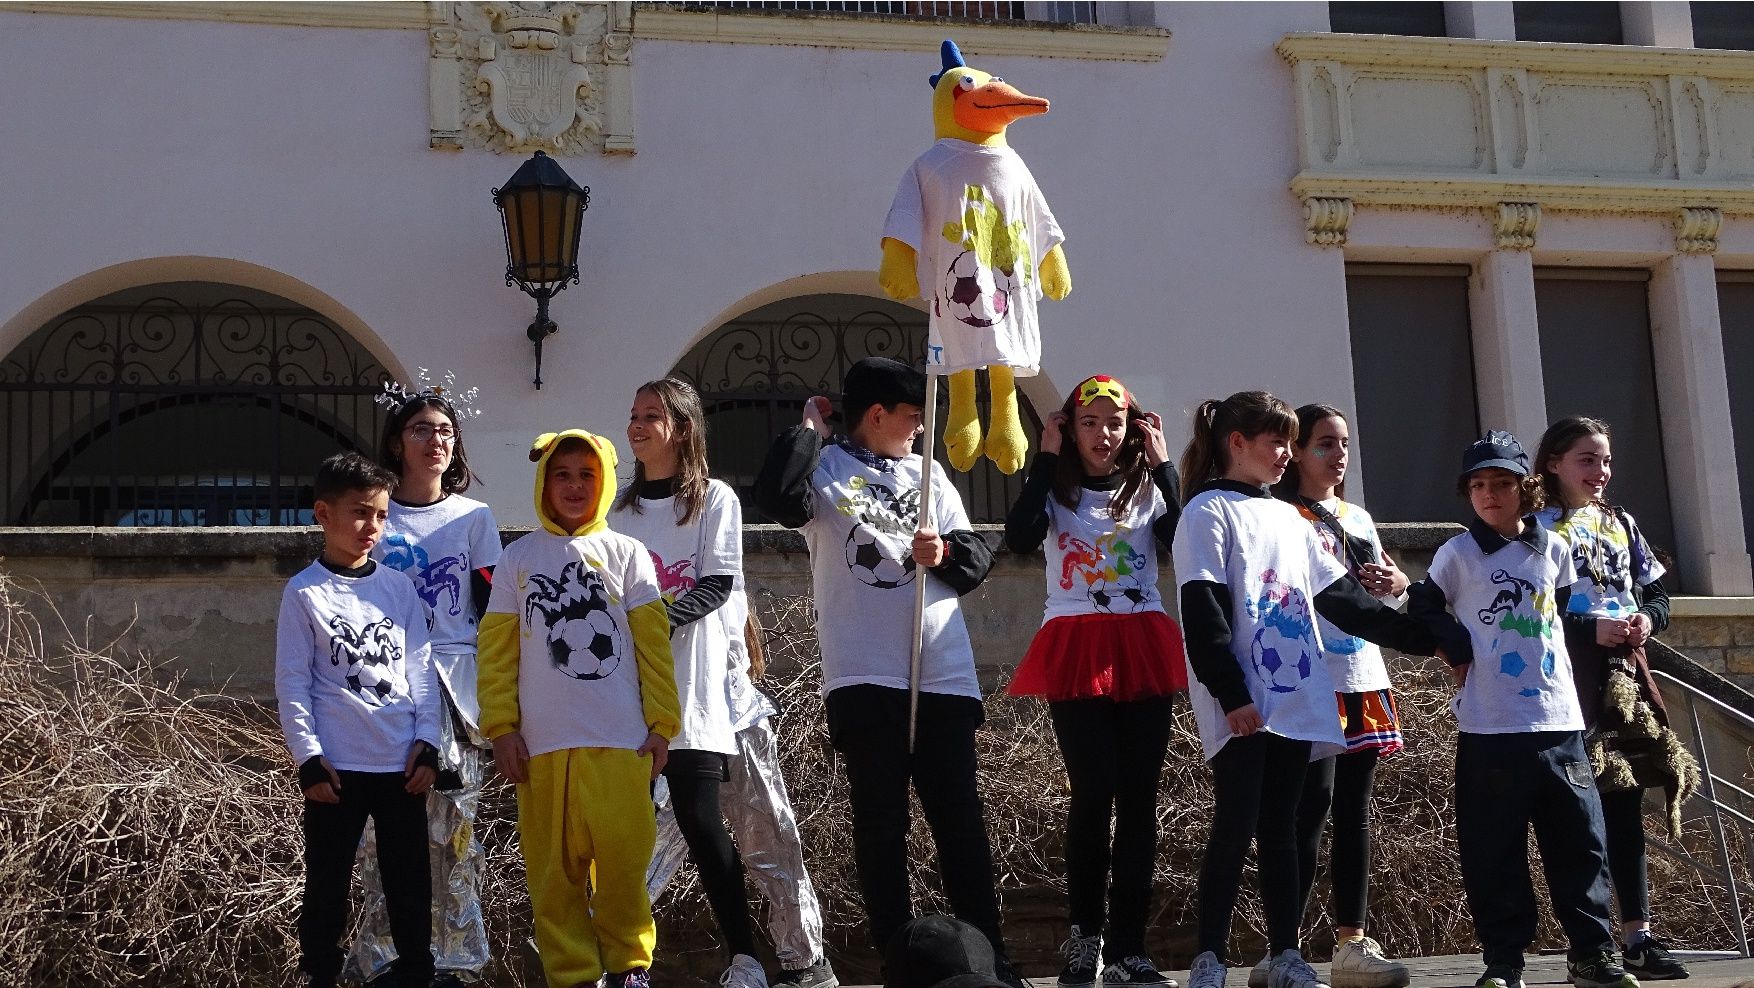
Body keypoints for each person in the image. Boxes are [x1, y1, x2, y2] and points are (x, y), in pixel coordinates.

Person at [753, 356, 1021, 987]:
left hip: (942, 673)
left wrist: (946, 551)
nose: (920, 429)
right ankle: (902, 959)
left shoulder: (930, 476)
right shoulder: (825, 469)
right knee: (881, 825)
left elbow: (976, 558)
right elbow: (776, 501)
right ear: (876, 415)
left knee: (958, 819)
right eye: (910, 417)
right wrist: (807, 432)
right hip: (865, 674)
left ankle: (992, 960)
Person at [1173, 391, 1443, 988]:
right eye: (1275, 441)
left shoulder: (1290, 518)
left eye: (1289, 442)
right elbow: (1203, 609)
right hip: (1246, 701)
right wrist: (1231, 693)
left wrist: (1424, 637)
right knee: (1236, 822)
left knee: (1283, 829)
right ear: (1235, 443)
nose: (1285, 454)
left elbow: (1342, 600)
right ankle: (1210, 958)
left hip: (1297, 698)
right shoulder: (1207, 512)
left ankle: (1285, 953)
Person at [1408, 430, 1639, 988]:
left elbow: (1561, 612)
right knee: (1494, 849)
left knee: (1580, 842)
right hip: (1490, 724)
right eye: (1479, 485)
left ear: (1526, 488)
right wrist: (1456, 646)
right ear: (1467, 493)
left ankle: (1592, 952)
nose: (1491, 494)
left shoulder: (1553, 549)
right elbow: (1423, 607)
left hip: (1558, 722)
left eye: (1503, 483)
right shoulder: (1457, 554)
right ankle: (1504, 961)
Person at [477, 429, 681, 988]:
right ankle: (571, 975)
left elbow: (653, 647)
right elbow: (496, 655)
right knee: (552, 873)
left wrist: (663, 724)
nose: (573, 486)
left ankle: (627, 967)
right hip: (540, 748)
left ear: (606, 481)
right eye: (561, 474)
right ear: (544, 482)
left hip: (621, 742)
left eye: (586, 475)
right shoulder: (516, 559)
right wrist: (501, 728)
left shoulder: (628, 553)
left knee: (623, 863)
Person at [1002, 374, 1185, 988]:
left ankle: (1131, 948)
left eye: (1114, 423)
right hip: (1078, 641)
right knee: (1094, 789)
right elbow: (1020, 537)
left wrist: (1164, 468)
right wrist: (1045, 456)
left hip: (1142, 642)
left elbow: (1189, 544)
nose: (1103, 435)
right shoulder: (1055, 490)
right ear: (1069, 428)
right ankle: (1085, 939)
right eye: (1089, 422)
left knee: (1139, 798)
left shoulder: (1147, 490)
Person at [611, 378, 768, 988]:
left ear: (682, 428)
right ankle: (626, 963)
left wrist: (653, 624)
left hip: (690, 690)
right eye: (633, 414)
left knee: (701, 822)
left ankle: (745, 958)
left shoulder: (714, 501)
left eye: (651, 415)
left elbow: (716, 583)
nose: (638, 425)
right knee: (623, 829)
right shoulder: (617, 511)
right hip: (624, 690)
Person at [1254, 404, 1411, 988]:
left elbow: (1377, 597)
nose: (1339, 455)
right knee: (1304, 811)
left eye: (1343, 444)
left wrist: (1397, 590)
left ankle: (1352, 939)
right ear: (1295, 451)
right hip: (1305, 675)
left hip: (1361, 673)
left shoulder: (1359, 518)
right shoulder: (1275, 514)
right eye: (1324, 444)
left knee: (1354, 811)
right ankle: (1283, 947)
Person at [347, 387, 500, 987]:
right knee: (385, 833)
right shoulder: (377, 518)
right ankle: (386, 957)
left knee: (456, 830)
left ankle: (457, 959)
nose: (434, 440)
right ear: (395, 440)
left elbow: (491, 608)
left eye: (444, 430)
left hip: (456, 694)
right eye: (420, 429)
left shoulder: (474, 518)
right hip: (386, 690)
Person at [1534, 416, 1693, 980]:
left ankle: (1638, 937)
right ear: (1553, 463)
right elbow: (1529, 611)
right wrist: (1585, 628)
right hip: (1563, 679)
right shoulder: (1537, 527)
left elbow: (1655, 591)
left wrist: (1647, 621)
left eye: (1605, 460)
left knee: (1624, 808)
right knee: (1580, 816)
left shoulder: (1621, 521)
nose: (1599, 471)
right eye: (1586, 459)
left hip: (1624, 677)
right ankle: (1591, 940)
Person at [275, 451, 440, 988]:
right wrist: (309, 760)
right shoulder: (304, 593)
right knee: (326, 884)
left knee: (410, 883)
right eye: (360, 512)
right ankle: (320, 973)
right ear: (324, 513)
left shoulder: (399, 588)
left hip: (401, 766)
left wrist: (429, 743)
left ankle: (418, 971)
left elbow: (421, 670)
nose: (372, 526)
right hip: (338, 771)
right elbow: (293, 681)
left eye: (381, 515)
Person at [646, 586, 839, 988]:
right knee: (649, 844)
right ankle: (607, 951)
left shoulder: (719, 567)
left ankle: (806, 963)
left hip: (734, 716)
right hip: (676, 725)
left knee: (769, 836)